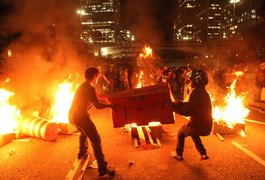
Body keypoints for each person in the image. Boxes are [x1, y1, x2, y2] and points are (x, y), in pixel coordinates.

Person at [68, 67, 115, 177]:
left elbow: (96, 98)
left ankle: (82, 152)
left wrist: (107, 99)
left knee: (83, 132)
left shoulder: (83, 85)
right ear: (94, 76)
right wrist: (110, 106)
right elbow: (98, 105)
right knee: (96, 140)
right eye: (98, 76)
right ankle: (102, 169)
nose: (98, 78)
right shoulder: (89, 88)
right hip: (81, 118)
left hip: (72, 117)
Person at [170, 69, 213, 161]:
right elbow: (193, 106)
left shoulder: (196, 94)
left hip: (199, 126)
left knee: (181, 132)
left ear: (196, 81)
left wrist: (173, 106)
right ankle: (203, 153)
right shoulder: (203, 93)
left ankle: (179, 155)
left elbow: (187, 110)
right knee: (192, 131)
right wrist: (179, 104)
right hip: (205, 126)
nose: (190, 83)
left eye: (191, 81)